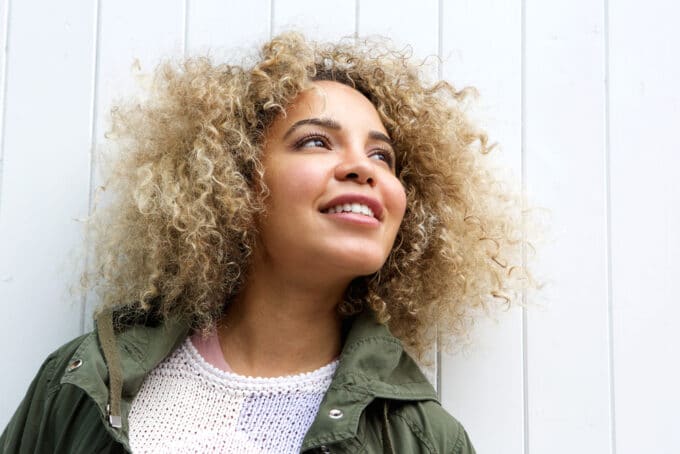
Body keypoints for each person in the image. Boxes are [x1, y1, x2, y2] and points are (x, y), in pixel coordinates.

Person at [1, 32, 529, 453]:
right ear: (236, 181)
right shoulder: (81, 381)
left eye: (381, 156)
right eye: (316, 141)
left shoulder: (423, 440)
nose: (362, 170)